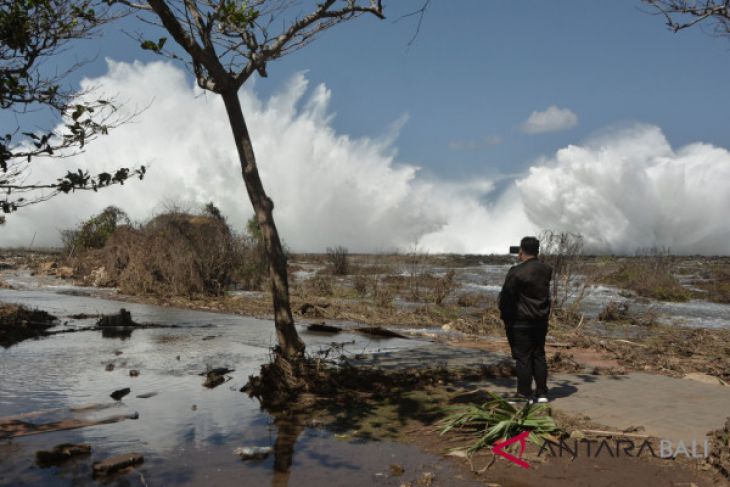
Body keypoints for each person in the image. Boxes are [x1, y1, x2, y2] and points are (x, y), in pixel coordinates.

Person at [498, 236, 552, 403]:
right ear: (538, 251)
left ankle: (524, 394)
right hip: (541, 319)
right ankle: (542, 393)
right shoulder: (546, 269)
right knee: (539, 354)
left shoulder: (516, 271)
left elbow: (506, 297)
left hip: (521, 320)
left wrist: (505, 316)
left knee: (523, 358)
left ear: (521, 250)